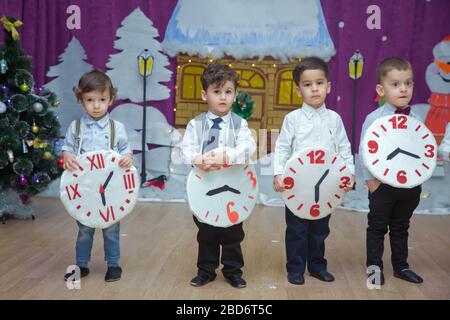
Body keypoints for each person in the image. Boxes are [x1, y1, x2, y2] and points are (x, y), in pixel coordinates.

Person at [273, 57, 354, 285]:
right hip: (298, 187)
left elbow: (344, 148)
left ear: (328, 86)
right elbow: (281, 147)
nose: (314, 88)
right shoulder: (293, 119)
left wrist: (349, 172)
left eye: (319, 83)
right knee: (297, 229)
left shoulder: (335, 119)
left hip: (326, 186)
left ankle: (317, 266)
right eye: (307, 84)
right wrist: (279, 174)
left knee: (320, 229)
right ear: (299, 90)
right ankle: (296, 268)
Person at [181, 62, 256, 288]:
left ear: (234, 94)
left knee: (233, 233)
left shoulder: (239, 124)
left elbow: (248, 148)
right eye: (216, 92)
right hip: (205, 188)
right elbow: (186, 149)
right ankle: (206, 270)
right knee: (207, 232)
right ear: (205, 95)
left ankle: (233, 270)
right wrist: (198, 159)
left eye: (228, 92)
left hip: (232, 187)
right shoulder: (196, 125)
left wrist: (227, 155)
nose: (223, 97)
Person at [62, 69, 133, 282]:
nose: (96, 105)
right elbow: (67, 149)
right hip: (85, 189)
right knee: (85, 229)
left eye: (101, 99)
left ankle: (113, 264)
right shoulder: (75, 128)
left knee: (111, 228)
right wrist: (67, 156)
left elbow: (125, 150)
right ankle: (81, 264)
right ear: (81, 100)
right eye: (90, 100)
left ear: (110, 99)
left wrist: (127, 157)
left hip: (110, 189)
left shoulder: (116, 128)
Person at [360, 57, 424, 285]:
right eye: (395, 84)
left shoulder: (416, 120)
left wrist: (418, 180)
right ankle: (374, 269)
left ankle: (401, 266)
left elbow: (422, 151)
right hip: (382, 185)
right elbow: (366, 151)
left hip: (409, 186)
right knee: (377, 228)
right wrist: (371, 181)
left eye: (408, 83)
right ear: (381, 89)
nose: (403, 88)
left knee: (401, 228)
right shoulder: (374, 120)